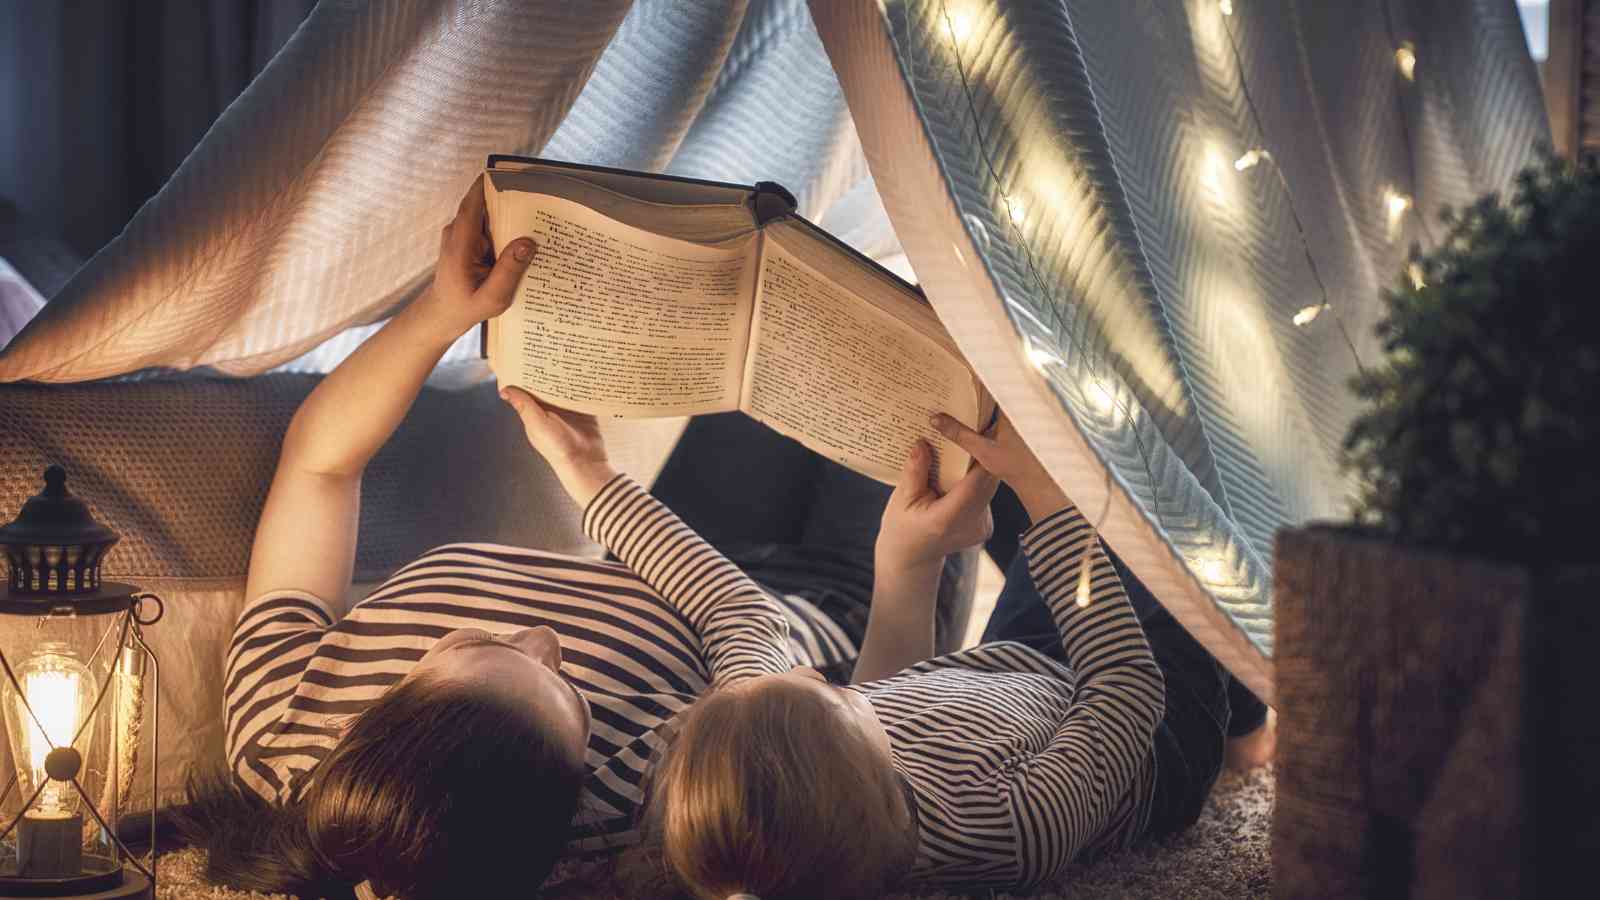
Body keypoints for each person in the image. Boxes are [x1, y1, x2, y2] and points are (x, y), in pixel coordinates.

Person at [183, 176, 965, 899]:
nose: (542, 638)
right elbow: (747, 623)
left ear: (375, 717)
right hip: (845, 604)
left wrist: (443, 311)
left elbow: (319, 467)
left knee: (797, 296)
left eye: (481, 645)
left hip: (670, 539)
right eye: (572, 696)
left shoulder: (284, 729)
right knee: (949, 336)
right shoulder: (634, 810)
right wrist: (589, 474)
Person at [632, 409, 1270, 900]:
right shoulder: (1018, 826)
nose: (810, 669)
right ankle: (1243, 730)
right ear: (877, 779)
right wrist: (1043, 492)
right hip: (1147, 722)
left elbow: (887, 686)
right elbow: (1126, 686)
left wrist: (910, 556)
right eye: (834, 689)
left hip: (1016, 670)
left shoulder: (846, 788)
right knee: (1169, 500)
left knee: (1072, 483)